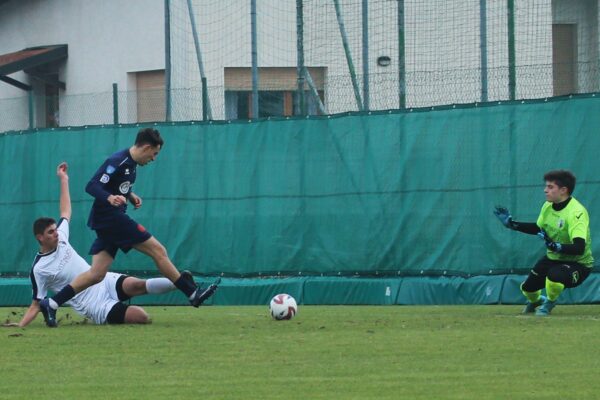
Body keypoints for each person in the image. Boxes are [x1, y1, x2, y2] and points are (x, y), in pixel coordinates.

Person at [40, 128, 219, 327]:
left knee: (96, 274)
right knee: (158, 251)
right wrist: (109, 197)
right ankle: (191, 293)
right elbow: (91, 186)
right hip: (112, 219)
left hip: (108, 221)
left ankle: (52, 303)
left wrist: (129, 195)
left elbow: (119, 185)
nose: (154, 158)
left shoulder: (131, 165)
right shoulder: (117, 161)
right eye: (154, 153)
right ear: (146, 147)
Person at [3, 162, 195, 328]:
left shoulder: (61, 237)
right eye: (50, 232)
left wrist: (63, 179)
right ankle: (181, 284)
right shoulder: (39, 269)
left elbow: (66, 210)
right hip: (92, 303)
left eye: (55, 229)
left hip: (101, 279)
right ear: (40, 238)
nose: (56, 234)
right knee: (141, 317)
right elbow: (36, 304)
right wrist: (21, 325)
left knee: (137, 285)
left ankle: (179, 282)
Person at [493, 169, 593, 316]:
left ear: (563, 190)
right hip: (553, 258)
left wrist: (556, 246)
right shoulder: (547, 206)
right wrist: (512, 224)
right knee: (528, 289)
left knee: (554, 277)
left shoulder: (576, 212)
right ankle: (536, 301)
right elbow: (538, 228)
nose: (545, 190)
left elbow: (579, 248)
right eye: (546, 186)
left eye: (550, 187)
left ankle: (549, 303)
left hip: (579, 264)